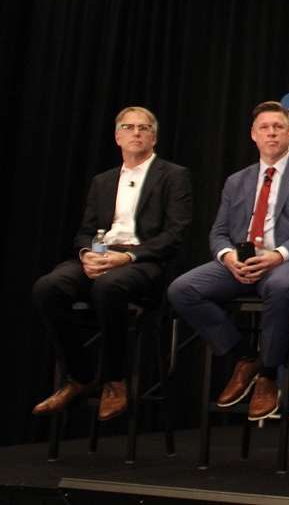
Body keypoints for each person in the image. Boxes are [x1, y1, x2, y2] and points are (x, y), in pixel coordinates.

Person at [168, 101, 289, 421]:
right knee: (182, 290)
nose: (271, 133)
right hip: (242, 264)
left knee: (281, 286)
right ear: (253, 135)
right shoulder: (237, 181)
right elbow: (218, 232)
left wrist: (278, 256)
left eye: (278, 127)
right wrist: (227, 256)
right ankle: (245, 357)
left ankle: (268, 375)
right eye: (264, 128)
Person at [32, 107, 193, 421]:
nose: (136, 133)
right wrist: (87, 254)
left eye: (144, 128)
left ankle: (114, 379)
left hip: (145, 260)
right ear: (117, 137)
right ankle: (79, 376)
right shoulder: (103, 181)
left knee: (108, 286)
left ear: (154, 137)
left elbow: (175, 235)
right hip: (103, 254)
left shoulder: (174, 175)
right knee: (47, 288)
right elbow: (86, 231)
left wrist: (128, 256)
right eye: (128, 127)